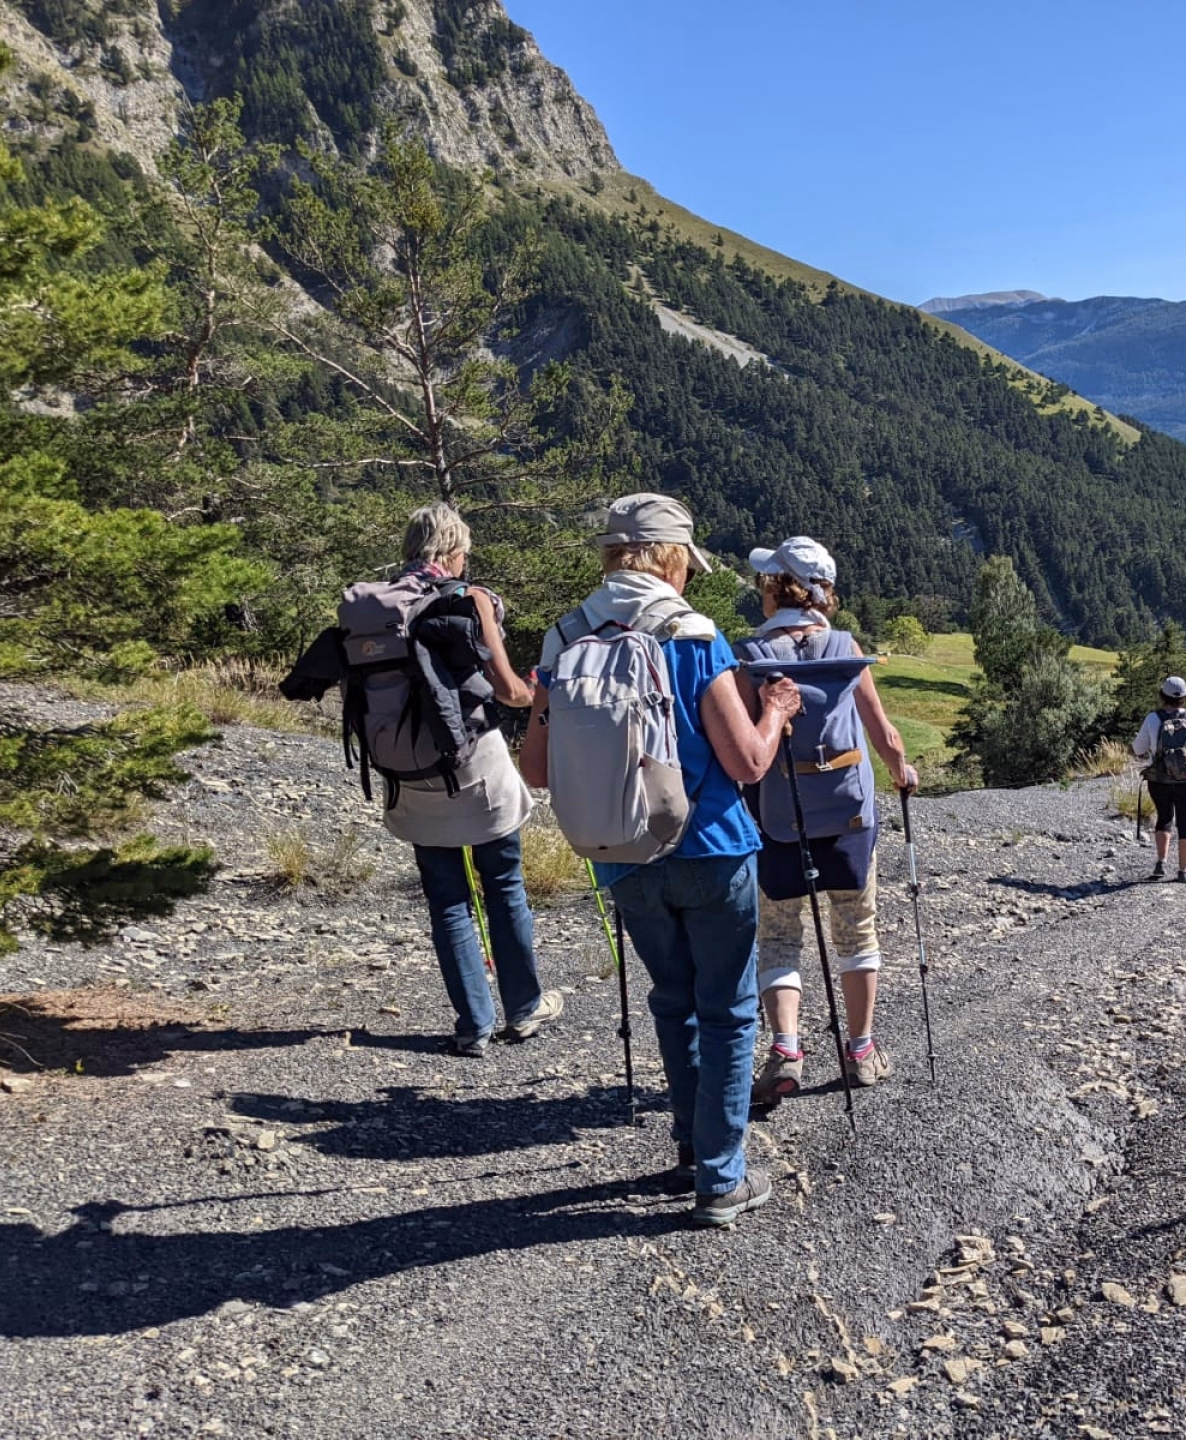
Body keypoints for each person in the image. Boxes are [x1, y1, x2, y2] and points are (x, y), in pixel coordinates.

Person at [520, 493, 802, 1228]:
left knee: (672, 1001)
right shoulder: (691, 632)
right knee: (730, 1010)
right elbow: (745, 762)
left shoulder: (565, 636)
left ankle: (689, 1142)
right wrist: (775, 710)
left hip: (623, 851)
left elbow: (538, 770)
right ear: (672, 558)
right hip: (710, 845)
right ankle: (721, 1176)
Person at [732, 537, 918, 1105]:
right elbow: (881, 730)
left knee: (780, 936)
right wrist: (901, 769)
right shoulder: (843, 645)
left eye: (767, 581)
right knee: (857, 930)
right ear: (821, 592)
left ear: (778, 587)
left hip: (775, 819)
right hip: (849, 815)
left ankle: (786, 1049)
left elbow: (739, 745)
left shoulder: (751, 655)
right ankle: (860, 1050)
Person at [383, 504, 559, 1057]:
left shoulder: (378, 606)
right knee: (503, 886)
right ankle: (523, 1009)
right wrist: (538, 694)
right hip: (476, 768)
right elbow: (507, 689)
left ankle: (472, 1024)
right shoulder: (468, 599)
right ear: (454, 551)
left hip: (408, 773)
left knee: (447, 900)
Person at [1130, 675, 1186, 882]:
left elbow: (1138, 748)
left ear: (1162, 695)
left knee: (1164, 817)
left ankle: (1161, 861)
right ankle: (1183, 871)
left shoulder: (1152, 718)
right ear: (1183, 697)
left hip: (1159, 779)